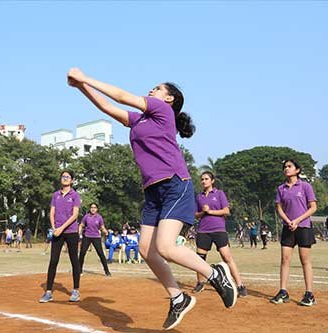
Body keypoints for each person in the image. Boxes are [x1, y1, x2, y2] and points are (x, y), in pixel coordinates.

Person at [67, 68, 237, 330]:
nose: (152, 90)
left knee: (167, 247)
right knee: (147, 250)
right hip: (153, 192)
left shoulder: (162, 111)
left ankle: (216, 273)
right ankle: (178, 298)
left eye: (157, 88)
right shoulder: (139, 120)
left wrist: (86, 76)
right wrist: (80, 87)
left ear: (169, 99)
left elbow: (122, 96)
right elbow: (108, 107)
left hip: (174, 184)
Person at [270, 159, 317, 306]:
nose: (286, 169)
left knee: (305, 260)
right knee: (285, 259)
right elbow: (279, 208)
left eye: (289, 166)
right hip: (288, 228)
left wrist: (297, 220)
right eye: (285, 167)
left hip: (303, 227)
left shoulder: (305, 186)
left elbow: (313, 207)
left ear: (297, 170)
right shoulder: (281, 188)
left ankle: (309, 294)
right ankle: (283, 291)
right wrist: (288, 221)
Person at [193, 171, 247, 297]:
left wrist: (210, 211)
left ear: (212, 181)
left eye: (206, 179)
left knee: (227, 257)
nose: (203, 181)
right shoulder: (199, 197)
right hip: (203, 230)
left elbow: (226, 211)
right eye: (202, 179)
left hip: (218, 230)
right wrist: (203, 212)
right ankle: (200, 283)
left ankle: (240, 285)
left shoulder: (219, 193)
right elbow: (196, 214)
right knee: (199, 259)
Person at [39, 170, 82, 303]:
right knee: (53, 261)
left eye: (68, 177)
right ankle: (48, 292)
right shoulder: (55, 195)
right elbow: (51, 213)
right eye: (63, 176)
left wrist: (62, 228)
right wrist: (54, 228)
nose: (65, 178)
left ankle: (75, 290)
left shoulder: (75, 195)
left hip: (71, 231)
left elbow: (74, 215)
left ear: (72, 180)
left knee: (74, 260)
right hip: (57, 231)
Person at [78, 203, 111, 276]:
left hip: (96, 237)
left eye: (95, 207)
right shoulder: (86, 217)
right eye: (92, 207)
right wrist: (79, 233)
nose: (93, 209)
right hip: (87, 236)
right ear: (90, 209)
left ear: (97, 209)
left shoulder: (99, 217)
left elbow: (102, 227)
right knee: (82, 253)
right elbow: (81, 225)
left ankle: (107, 271)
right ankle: (79, 270)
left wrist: (105, 231)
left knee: (101, 254)